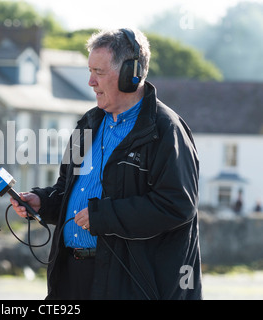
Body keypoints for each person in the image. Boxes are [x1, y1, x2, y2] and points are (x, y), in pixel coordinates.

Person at [10, 28, 202, 300]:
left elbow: (177, 205)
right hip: (72, 276)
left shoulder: (166, 130)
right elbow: (68, 189)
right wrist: (43, 201)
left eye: (98, 72)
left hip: (129, 283)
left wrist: (103, 216)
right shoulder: (87, 124)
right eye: (90, 71)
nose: (90, 82)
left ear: (130, 75)